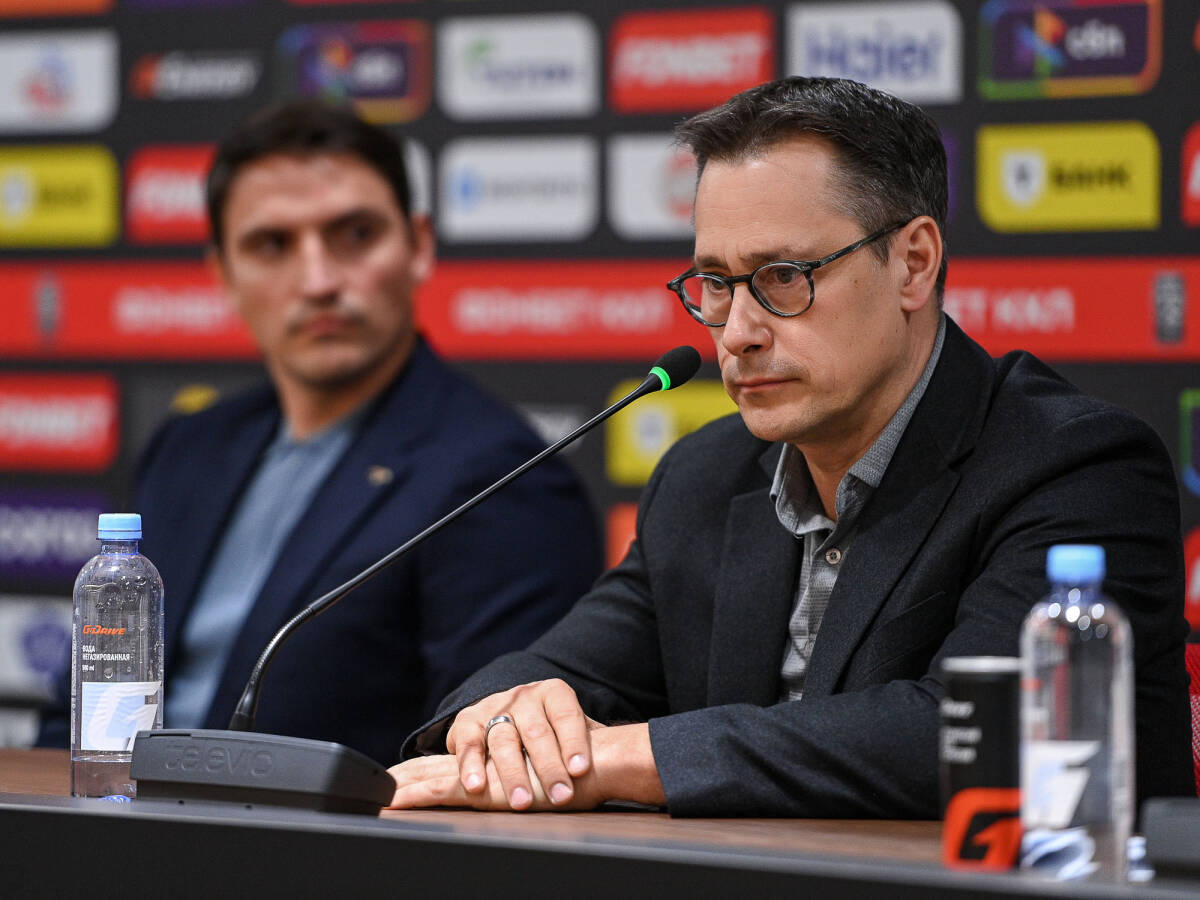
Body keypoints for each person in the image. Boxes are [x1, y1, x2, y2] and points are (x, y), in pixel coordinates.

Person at [386, 76, 1194, 817]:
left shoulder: (1075, 467)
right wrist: (505, 722)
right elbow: (554, 673)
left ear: (913, 264)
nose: (737, 333)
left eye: (782, 276)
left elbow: (983, 732)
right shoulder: (704, 477)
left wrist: (623, 756)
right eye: (715, 283)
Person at [37, 101, 602, 765]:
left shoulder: (503, 481)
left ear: (418, 246)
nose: (319, 281)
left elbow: (481, 767)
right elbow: (75, 711)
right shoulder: (188, 447)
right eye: (272, 245)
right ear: (223, 275)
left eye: (355, 234)